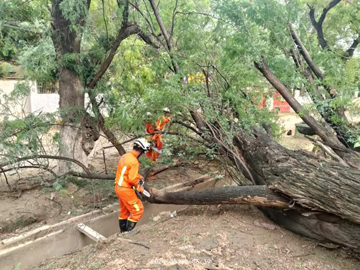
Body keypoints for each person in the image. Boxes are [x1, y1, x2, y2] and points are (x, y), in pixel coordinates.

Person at [114, 138, 150, 233]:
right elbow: (131, 179)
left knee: (124, 211)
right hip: (126, 189)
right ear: (142, 151)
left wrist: (138, 176)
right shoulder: (134, 161)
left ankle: (123, 232)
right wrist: (139, 187)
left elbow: (125, 172)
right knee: (138, 210)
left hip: (118, 187)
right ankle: (129, 232)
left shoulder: (125, 156)